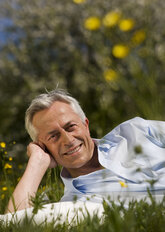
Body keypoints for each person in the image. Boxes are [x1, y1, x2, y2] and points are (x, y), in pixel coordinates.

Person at [6, 89, 165, 213]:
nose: (68, 140)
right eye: (53, 136)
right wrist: (37, 162)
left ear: (86, 125)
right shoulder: (75, 203)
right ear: (43, 147)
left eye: (71, 127)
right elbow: (14, 222)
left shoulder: (135, 131)